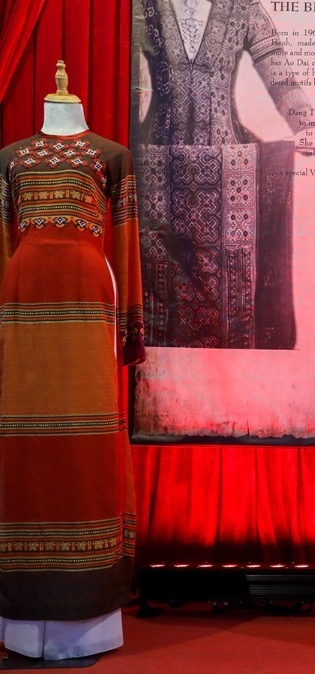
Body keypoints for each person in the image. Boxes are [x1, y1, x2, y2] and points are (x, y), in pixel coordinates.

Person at [0, 65, 144, 661]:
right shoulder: (8, 157)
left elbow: (126, 241)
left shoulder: (114, 157)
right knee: (21, 445)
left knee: (85, 447)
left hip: (89, 304)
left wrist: (131, 327)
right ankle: (19, 623)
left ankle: (85, 622)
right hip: (22, 303)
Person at [135, 0, 315, 349]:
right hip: (159, 166)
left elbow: (278, 70)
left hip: (231, 166)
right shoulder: (141, 4)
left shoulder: (242, 4)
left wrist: (306, 122)